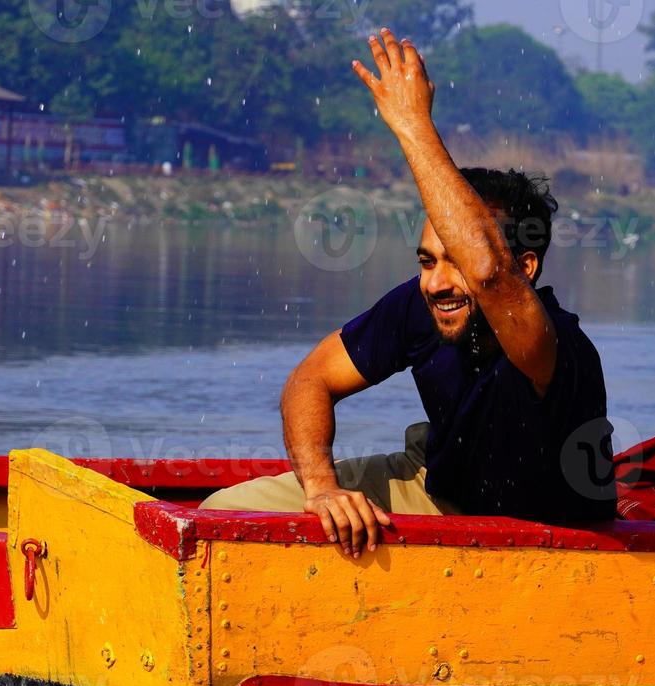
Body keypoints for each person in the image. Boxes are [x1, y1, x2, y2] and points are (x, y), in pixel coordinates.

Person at [201, 28, 614, 556]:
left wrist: (413, 124)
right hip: (437, 490)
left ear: (526, 267)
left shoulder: (550, 345)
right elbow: (311, 379)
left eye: (455, 261)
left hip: (546, 536)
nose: (437, 281)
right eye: (426, 261)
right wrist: (323, 489)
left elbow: (489, 275)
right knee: (221, 515)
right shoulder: (426, 301)